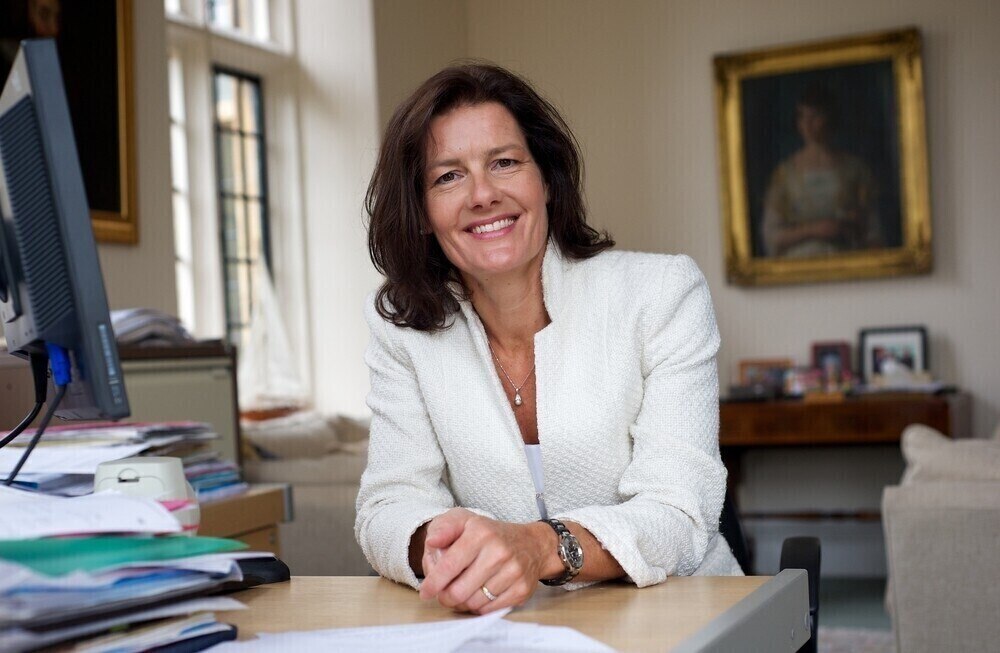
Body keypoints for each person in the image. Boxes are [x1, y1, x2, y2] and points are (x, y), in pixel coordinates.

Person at [358, 62, 740, 616]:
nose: (482, 194)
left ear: (546, 181)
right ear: (420, 212)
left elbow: (680, 513)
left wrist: (537, 547)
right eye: (448, 177)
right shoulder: (403, 329)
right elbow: (386, 506)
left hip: (680, 613)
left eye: (504, 163)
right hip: (505, 627)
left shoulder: (661, 293)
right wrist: (448, 545)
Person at [761, 85, 882, 258]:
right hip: (799, 263)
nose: (807, 124)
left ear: (830, 118)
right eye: (802, 117)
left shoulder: (856, 169)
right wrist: (813, 230)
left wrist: (855, 226)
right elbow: (772, 235)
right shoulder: (784, 175)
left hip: (847, 261)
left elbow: (873, 231)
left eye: (815, 116)